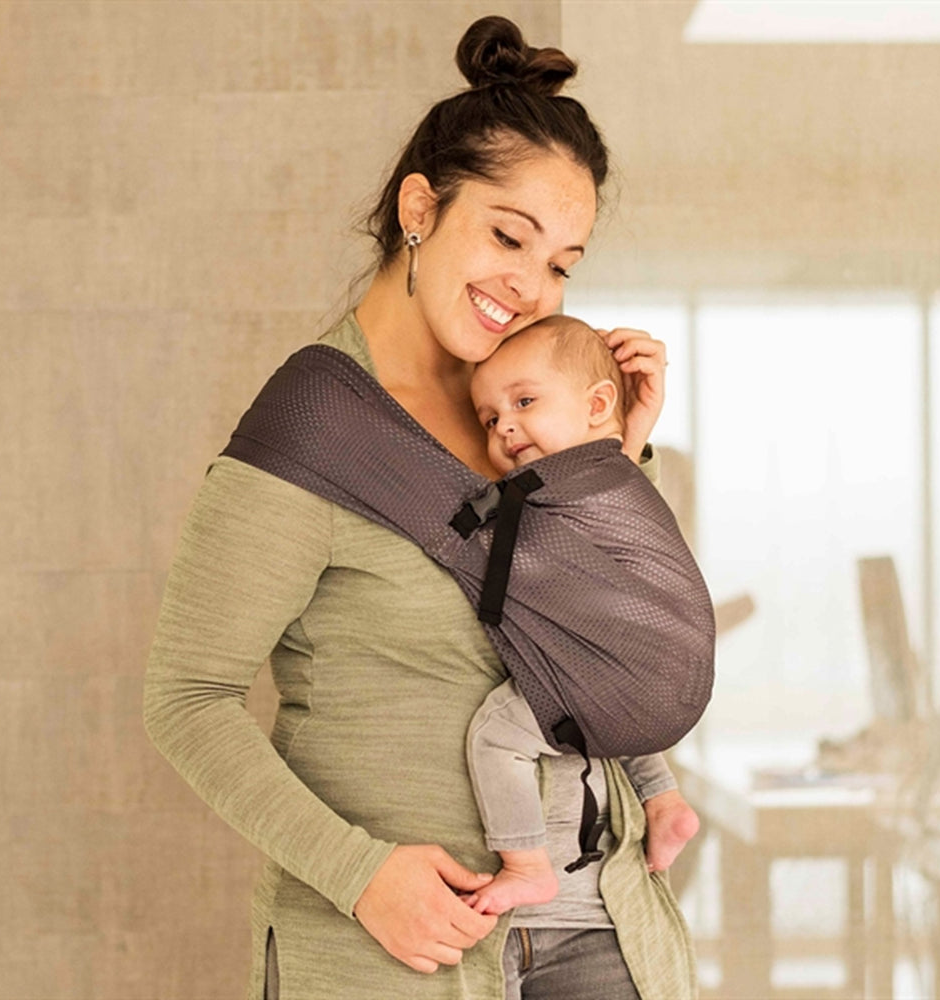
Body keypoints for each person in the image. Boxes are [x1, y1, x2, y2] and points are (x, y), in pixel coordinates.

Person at [144, 15, 699, 1000]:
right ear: (419, 208)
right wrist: (359, 874)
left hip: (604, 929)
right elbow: (187, 698)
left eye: (561, 264)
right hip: (399, 960)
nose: (530, 286)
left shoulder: (530, 408)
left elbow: (619, 632)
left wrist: (615, 463)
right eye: (507, 235)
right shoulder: (314, 428)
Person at [463, 314, 701, 917]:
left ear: (597, 405)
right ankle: (664, 801)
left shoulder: (551, 493)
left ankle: (527, 866)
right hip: (659, 676)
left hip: (627, 670)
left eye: (524, 402)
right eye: (489, 419)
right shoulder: (616, 479)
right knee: (598, 693)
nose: (505, 425)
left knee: (499, 734)